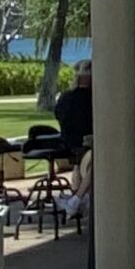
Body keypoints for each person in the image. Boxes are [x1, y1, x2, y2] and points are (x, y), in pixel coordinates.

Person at [51, 60, 96, 218]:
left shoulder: (66, 97)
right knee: (92, 161)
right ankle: (78, 199)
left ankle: (77, 198)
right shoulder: (94, 99)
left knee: (78, 165)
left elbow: (58, 115)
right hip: (86, 143)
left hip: (68, 143)